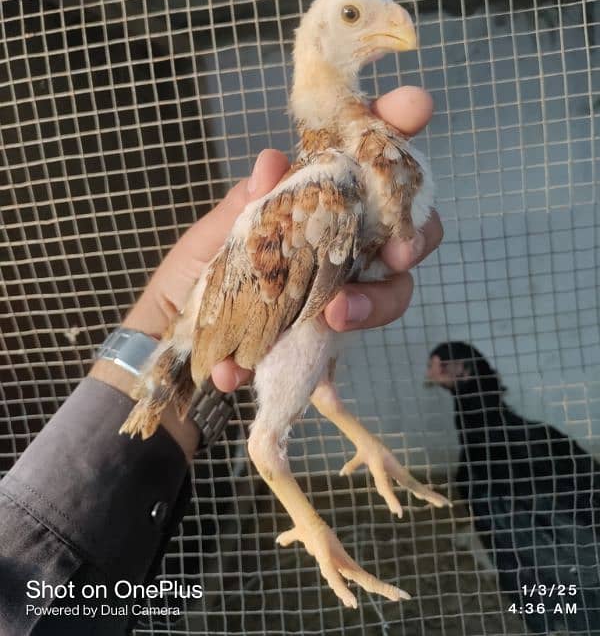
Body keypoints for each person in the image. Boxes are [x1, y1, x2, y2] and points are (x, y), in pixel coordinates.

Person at [0, 86, 443, 635]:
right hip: (229, 329)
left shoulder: (344, 170)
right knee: (269, 434)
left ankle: (353, 453)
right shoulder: (327, 190)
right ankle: (311, 525)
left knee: (330, 327)